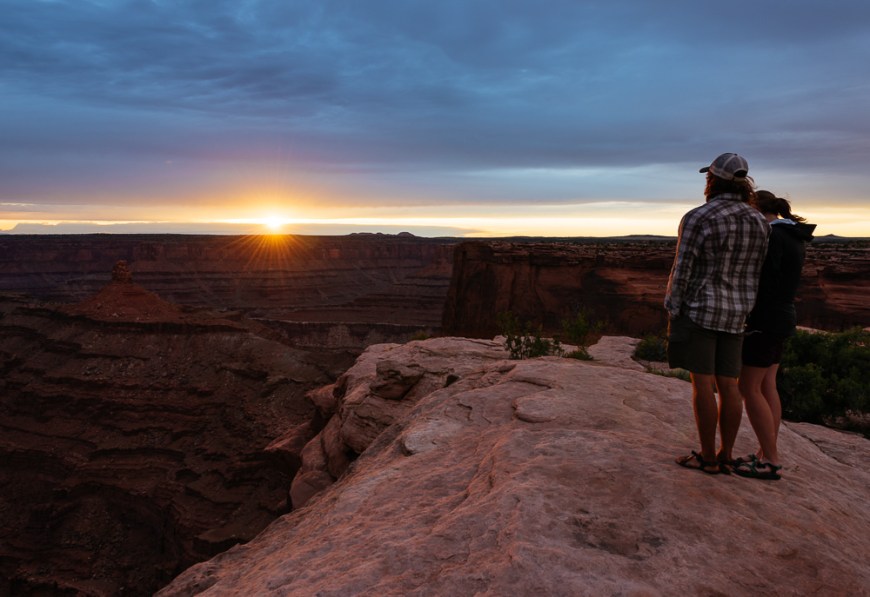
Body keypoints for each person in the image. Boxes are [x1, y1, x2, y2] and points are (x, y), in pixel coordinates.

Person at [665, 153, 770, 475]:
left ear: (712, 180)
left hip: (701, 310)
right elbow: (758, 270)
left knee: (702, 384)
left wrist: (673, 306)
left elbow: (683, 268)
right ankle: (726, 454)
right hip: (738, 313)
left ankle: (708, 457)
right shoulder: (758, 221)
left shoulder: (699, 216)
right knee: (730, 386)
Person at [734, 191, 816, 480]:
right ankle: (764, 451)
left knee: (747, 387)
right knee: (768, 384)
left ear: (755, 209)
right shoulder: (792, 235)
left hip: (765, 319)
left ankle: (770, 459)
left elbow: (761, 278)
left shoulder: (771, 236)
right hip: (782, 317)